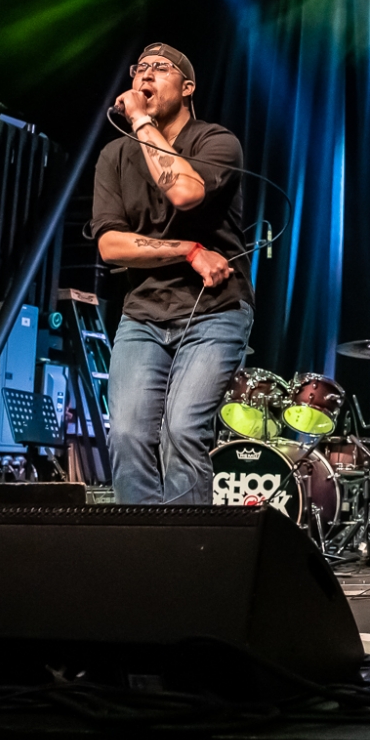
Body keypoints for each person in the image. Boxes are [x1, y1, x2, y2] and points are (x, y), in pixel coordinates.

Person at [91, 42, 253, 505]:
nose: (145, 76)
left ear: (187, 88)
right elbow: (110, 245)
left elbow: (184, 192)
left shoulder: (217, 142)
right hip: (143, 314)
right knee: (125, 435)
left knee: (182, 431)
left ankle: (189, 561)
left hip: (214, 311)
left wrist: (141, 121)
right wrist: (187, 250)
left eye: (159, 69)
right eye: (139, 68)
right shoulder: (113, 157)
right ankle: (141, 560)